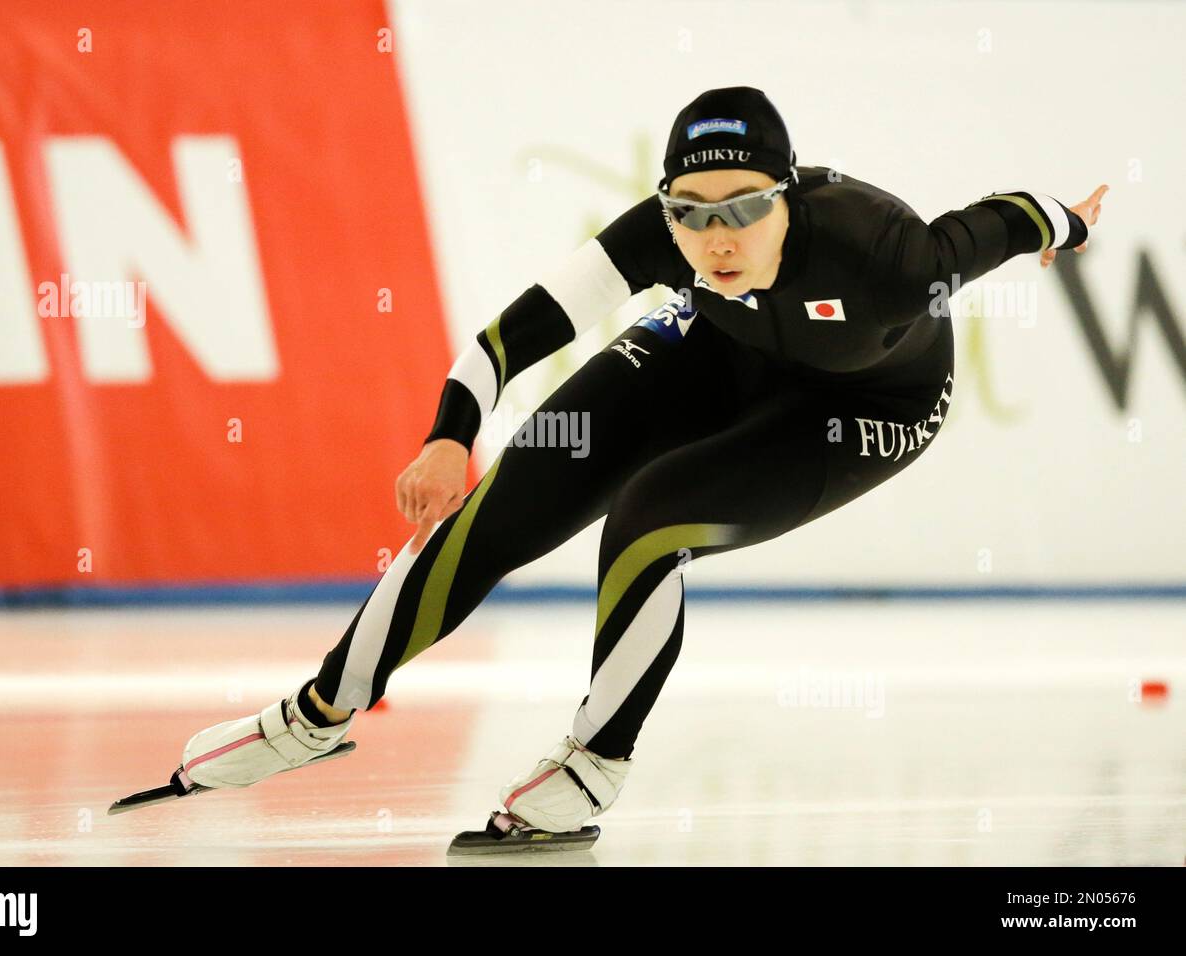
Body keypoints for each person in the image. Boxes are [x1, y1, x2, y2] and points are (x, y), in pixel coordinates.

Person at [172, 87, 1107, 834]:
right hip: (722, 349)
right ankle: (318, 715)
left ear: (790, 197)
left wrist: (1070, 222)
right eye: (692, 214)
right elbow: (516, 331)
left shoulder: (886, 257)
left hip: (866, 402)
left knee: (652, 517)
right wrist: (450, 433)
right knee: (519, 481)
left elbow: (1005, 219)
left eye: (746, 207)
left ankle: (594, 762)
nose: (719, 235)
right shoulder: (669, 240)